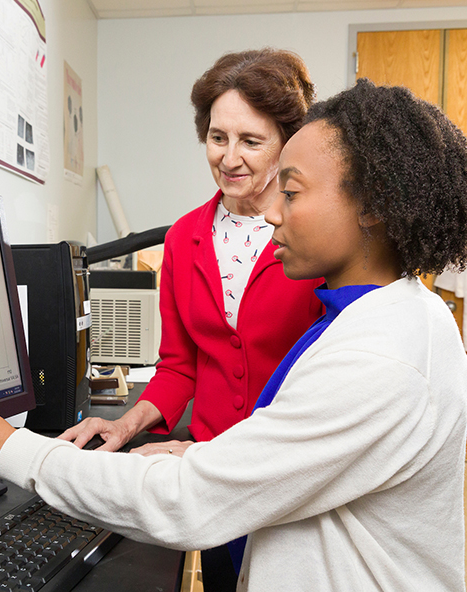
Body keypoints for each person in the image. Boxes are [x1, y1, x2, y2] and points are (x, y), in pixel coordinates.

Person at [0, 79, 467, 592]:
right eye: (218, 136)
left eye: (290, 192)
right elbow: (280, 431)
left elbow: (191, 501)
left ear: (375, 206)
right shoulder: (383, 316)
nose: (270, 214)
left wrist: (11, 448)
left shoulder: (377, 356)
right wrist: (210, 452)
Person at [62, 50, 323, 463]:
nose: (229, 158)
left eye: (251, 142)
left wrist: (234, 457)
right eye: (218, 138)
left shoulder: (314, 236)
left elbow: (326, 378)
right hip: (200, 454)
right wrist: (124, 424)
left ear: (287, 144)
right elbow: (179, 368)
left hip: (288, 458)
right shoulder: (184, 237)